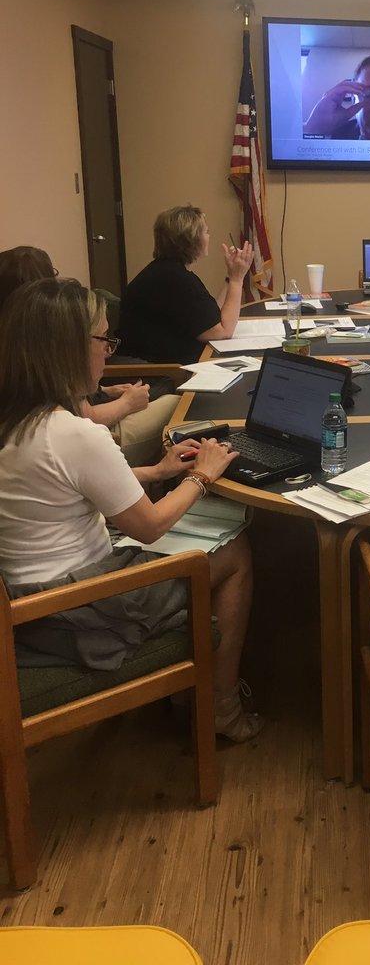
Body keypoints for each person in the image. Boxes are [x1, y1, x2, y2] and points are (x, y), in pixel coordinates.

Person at [0, 277, 260, 742]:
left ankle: (188, 690)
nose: (108, 352)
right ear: (68, 348)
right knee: (234, 554)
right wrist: (203, 474)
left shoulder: (17, 420)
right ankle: (220, 707)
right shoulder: (74, 433)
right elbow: (150, 527)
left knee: (193, 528)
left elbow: (62, 491)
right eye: (103, 340)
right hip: (75, 612)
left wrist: (158, 474)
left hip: (25, 604)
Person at [0, 245, 178, 467]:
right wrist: (127, 403)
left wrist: (105, 390)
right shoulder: (49, 342)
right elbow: (81, 415)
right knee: (175, 399)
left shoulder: (16, 344)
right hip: (86, 436)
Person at [118, 206, 253, 363]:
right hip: (160, 369)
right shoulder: (174, 279)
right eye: (206, 232)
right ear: (192, 240)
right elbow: (222, 332)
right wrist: (237, 279)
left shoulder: (169, 271)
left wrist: (231, 276)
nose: (209, 237)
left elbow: (208, 320)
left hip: (168, 359)